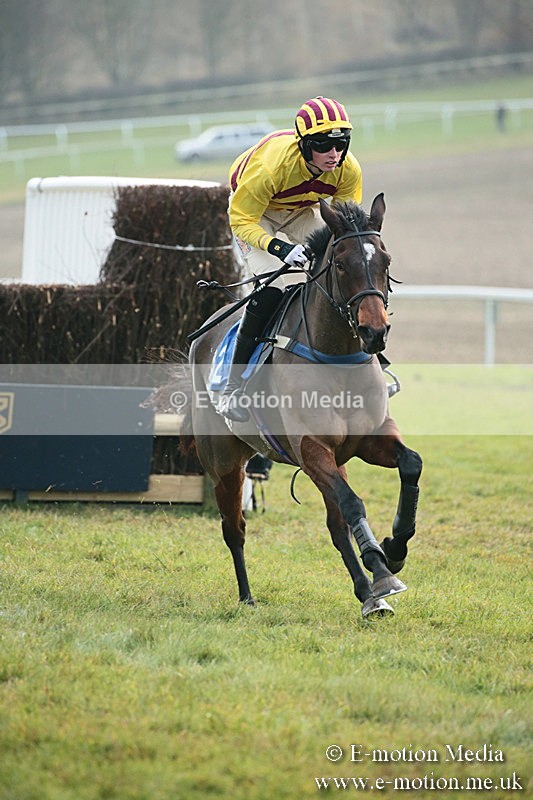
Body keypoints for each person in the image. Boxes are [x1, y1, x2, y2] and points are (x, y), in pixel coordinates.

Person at [218, 96, 363, 423]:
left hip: (301, 210)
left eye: (341, 143)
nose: (334, 153)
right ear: (304, 145)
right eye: (323, 144)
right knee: (272, 287)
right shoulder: (271, 168)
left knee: (340, 268)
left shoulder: (348, 170)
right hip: (256, 215)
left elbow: (345, 226)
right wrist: (280, 249)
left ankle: (367, 361)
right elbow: (241, 221)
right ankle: (233, 387)